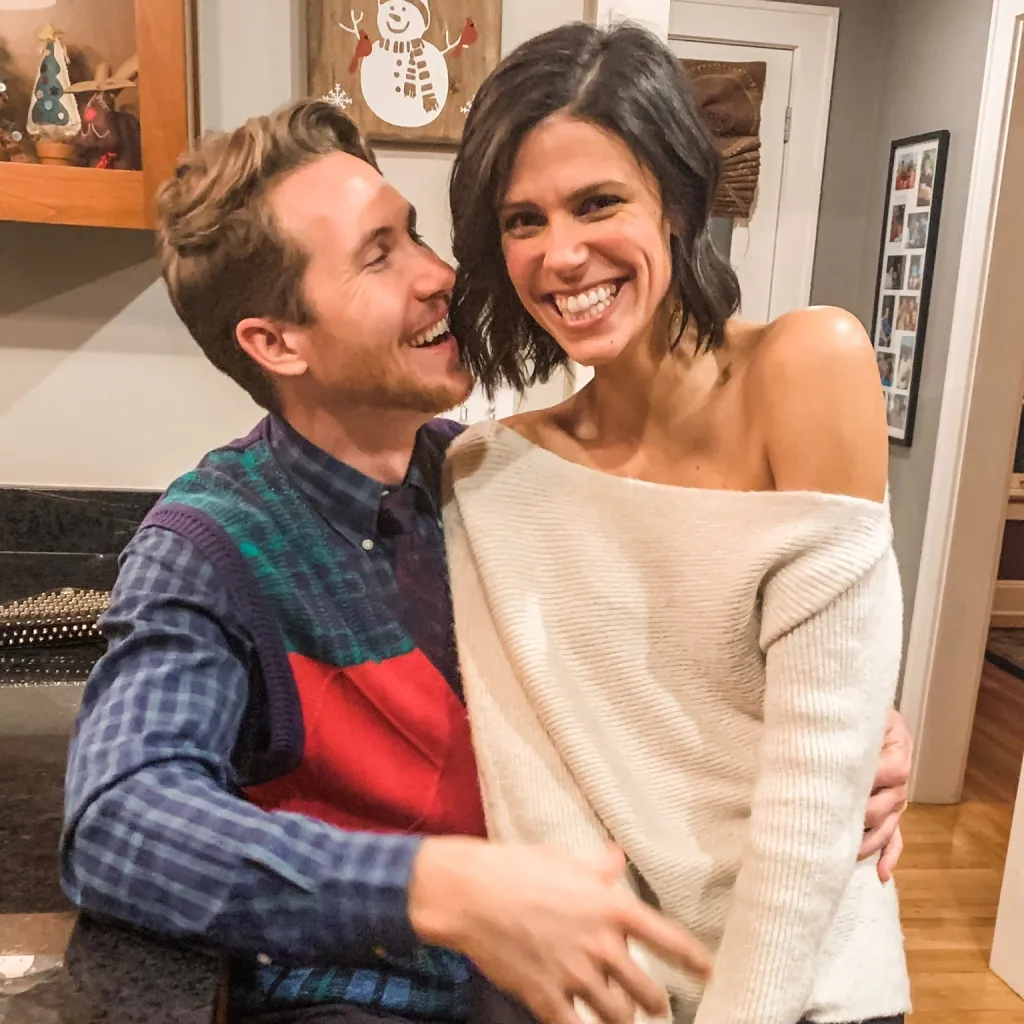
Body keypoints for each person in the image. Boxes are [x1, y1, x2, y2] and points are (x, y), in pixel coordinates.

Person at [59, 99, 912, 1024]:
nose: (440, 276)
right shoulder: (209, 548)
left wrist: (849, 716)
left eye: (417, 234)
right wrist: (440, 887)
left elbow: (677, 671)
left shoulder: (493, 475)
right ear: (276, 342)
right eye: (380, 254)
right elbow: (117, 824)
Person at [444, 21, 911, 1024]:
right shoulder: (487, 473)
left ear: (678, 201)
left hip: (811, 983)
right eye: (522, 220)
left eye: (598, 201)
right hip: (613, 995)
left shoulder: (808, 367)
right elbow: (534, 791)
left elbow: (818, 780)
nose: (561, 254)